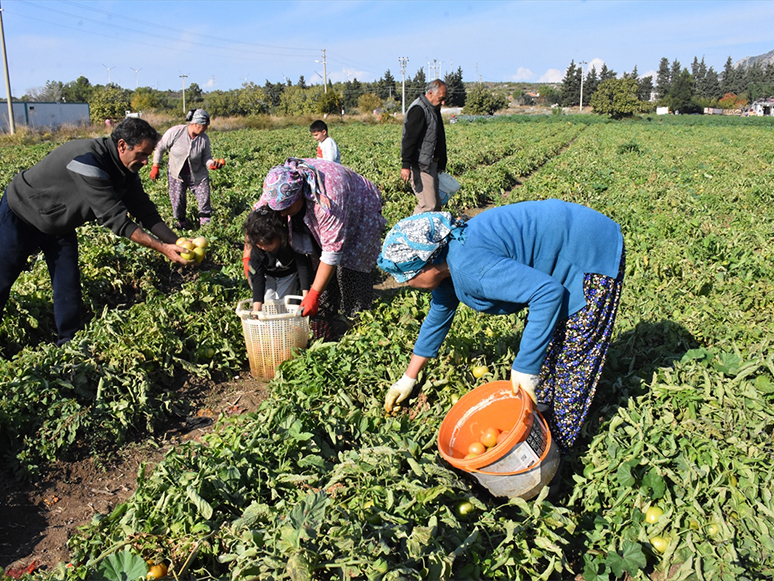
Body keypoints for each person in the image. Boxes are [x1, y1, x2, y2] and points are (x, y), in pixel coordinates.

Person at [377, 200, 626, 453]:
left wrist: (526, 368)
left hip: (589, 250)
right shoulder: (448, 261)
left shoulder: (470, 267)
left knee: (573, 355)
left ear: (426, 264)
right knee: (548, 346)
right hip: (565, 247)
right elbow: (437, 319)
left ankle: (557, 450)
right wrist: (408, 378)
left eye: (406, 277)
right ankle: (545, 420)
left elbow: (547, 294)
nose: (406, 284)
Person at [0, 117, 193, 346]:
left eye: (147, 155)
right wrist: (163, 249)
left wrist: (177, 242)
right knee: (3, 276)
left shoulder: (125, 170)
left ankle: (68, 343)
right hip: (22, 213)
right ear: (122, 145)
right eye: (141, 154)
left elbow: (144, 210)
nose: (145, 161)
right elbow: (116, 219)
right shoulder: (89, 162)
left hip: (59, 222)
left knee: (67, 281)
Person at [257, 157, 386, 339]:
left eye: (286, 209)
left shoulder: (330, 200)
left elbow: (331, 254)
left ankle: (356, 326)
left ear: (300, 195)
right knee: (317, 266)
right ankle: (327, 315)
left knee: (352, 269)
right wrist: (248, 252)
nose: (281, 214)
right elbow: (258, 216)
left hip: (360, 208)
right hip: (323, 205)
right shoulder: (279, 184)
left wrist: (314, 294)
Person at [149, 109, 224, 229]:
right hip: (177, 174)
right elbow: (160, 148)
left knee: (204, 198)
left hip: (198, 174)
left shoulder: (204, 139)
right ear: (195, 124)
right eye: (204, 125)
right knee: (178, 201)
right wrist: (155, 166)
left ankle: (206, 229)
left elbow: (207, 158)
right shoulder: (175, 132)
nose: (206, 128)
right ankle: (182, 224)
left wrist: (211, 164)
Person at [242, 206, 312, 312]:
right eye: (260, 245)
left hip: (287, 274)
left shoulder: (291, 242)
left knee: (285, 304)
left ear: (280, 235)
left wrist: (306, 296)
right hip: (268, 275)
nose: (265, 248)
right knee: (267, 302)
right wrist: (256, 308)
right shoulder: (257, 251)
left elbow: (302, 266)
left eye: (269, 244)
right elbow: (258, 278)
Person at [400, 79, 448, 215]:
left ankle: (433, 235)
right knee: (428, 205)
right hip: (421, 166)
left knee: (436, 205)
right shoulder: (419, 109)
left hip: (431, 164)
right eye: (441, 98)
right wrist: (405, 165)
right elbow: (409, 139)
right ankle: (410, 233)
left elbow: (439, 136)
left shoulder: (434, 109)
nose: (443, 102)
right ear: (431, 93)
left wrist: (441, 161)